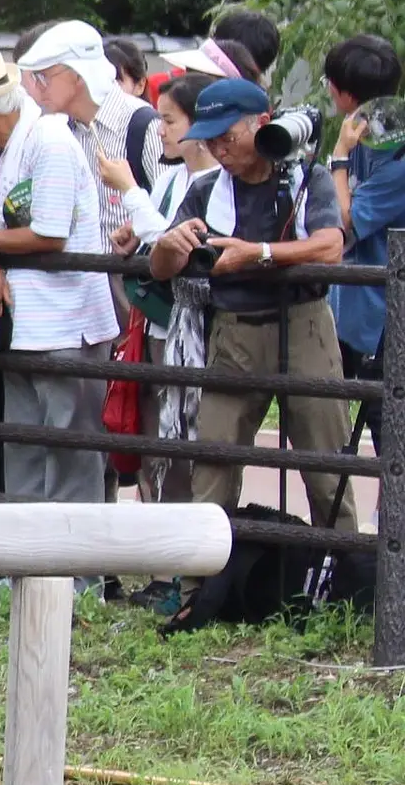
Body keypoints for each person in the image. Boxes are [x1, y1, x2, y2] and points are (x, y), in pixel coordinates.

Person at [150, 75, 356, 528]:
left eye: (228, 138)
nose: (221, 151)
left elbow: (329, 246)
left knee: (327, 467)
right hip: (233, 330)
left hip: (304, 327)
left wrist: (255, 254)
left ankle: (348, 583)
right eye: (212, 141)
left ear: (262, 124)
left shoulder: (306, 178)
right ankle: (201, 590)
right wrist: (170, 244)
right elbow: (160, 268)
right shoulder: (206, 190)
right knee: (214, 460)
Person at [0, 44, 117, 503]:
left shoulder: (49, 141)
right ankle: (27, 567)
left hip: (65, 324)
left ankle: (77, 572)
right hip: (19, 323)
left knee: (71, 452)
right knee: (24, 447)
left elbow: (49, 234)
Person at [324, 36, 405, 458]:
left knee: (387, 429)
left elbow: (343, 219)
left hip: (387, 321)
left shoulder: (397, 156)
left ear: (345, 94)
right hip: (352, 314)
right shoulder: (368, 136)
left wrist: (337, 157)